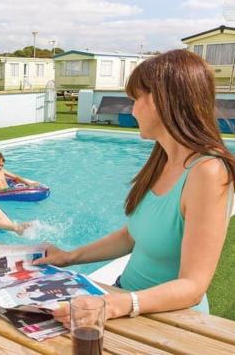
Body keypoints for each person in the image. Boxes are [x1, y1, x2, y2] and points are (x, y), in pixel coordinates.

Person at [33, 49, 234, 326]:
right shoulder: (162, 159)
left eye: (136, 98)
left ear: (162, 101)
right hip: (125, 298)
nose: (132, 109)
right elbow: (131, 235)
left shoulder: (208, 172)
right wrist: (69, 257)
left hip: (169, 321)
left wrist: (112, 305)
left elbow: (193, 285)